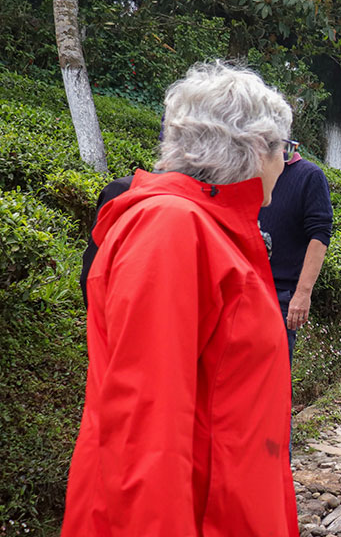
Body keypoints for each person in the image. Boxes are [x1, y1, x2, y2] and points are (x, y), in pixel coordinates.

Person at [61, 61, 299, 537]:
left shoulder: (213, 226)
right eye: (285, 149)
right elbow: (144, 425)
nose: (287, 163)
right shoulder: (172, 228)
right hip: (193, 512)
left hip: (226, 502)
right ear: (255, 148)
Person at [258, 146, 333, 364]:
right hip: (242, 287)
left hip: (280, 294)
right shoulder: (248, 169)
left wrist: (302, 293)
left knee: (272, 373)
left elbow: (320, 235)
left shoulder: (309, 176)